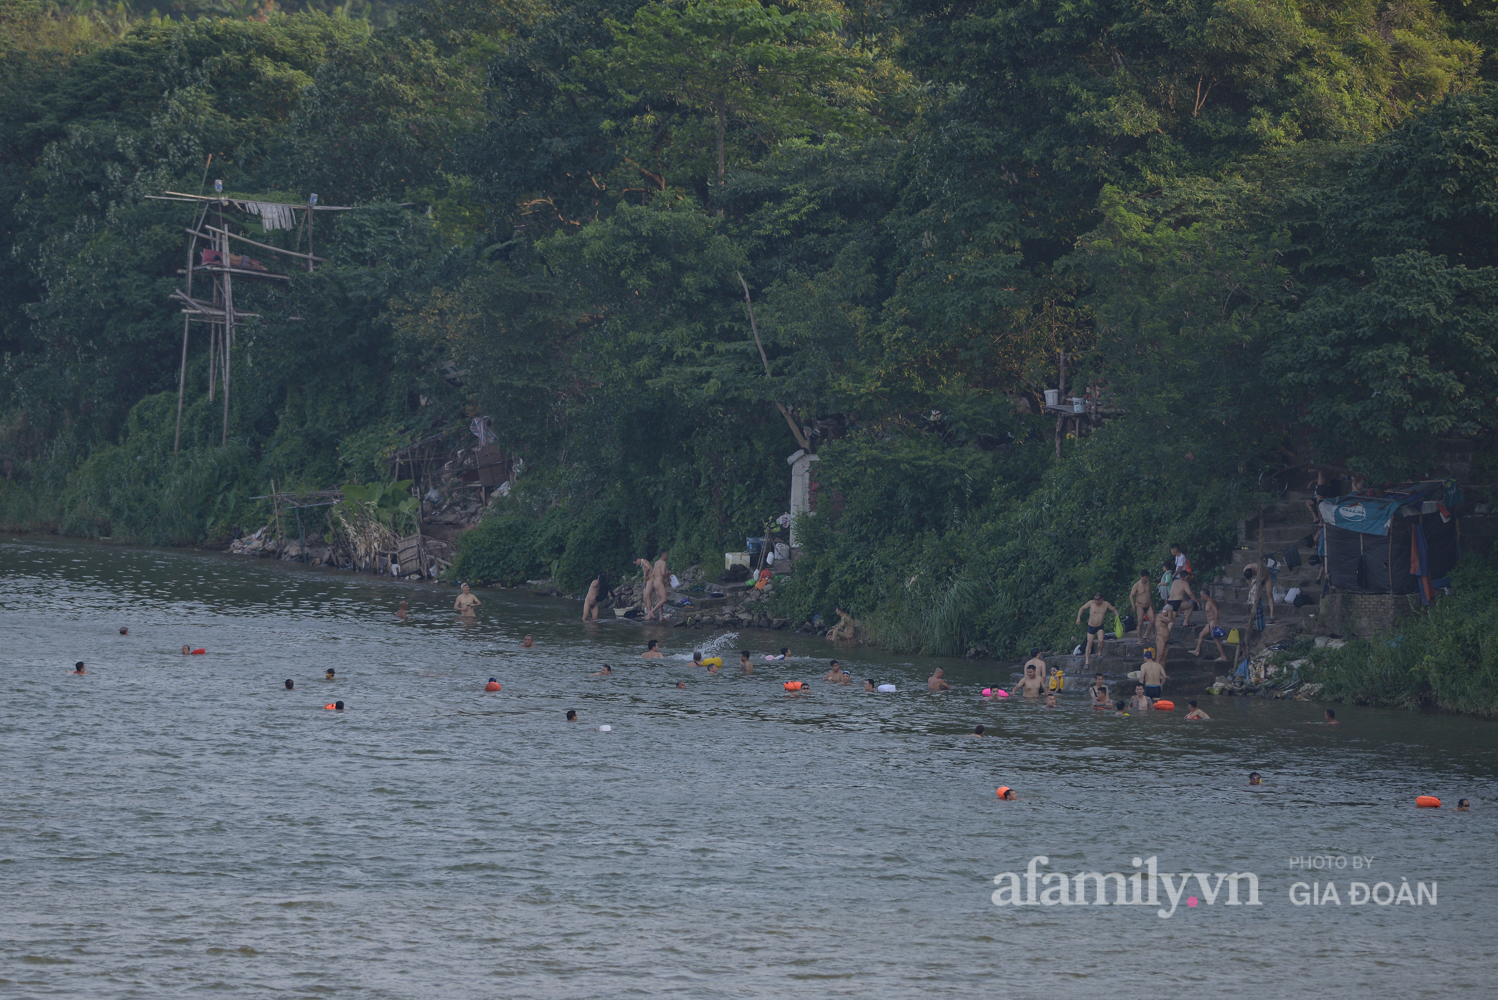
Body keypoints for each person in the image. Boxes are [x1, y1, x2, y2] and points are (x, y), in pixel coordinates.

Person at [1075, 593, 1119, 669]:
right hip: (1091, 626)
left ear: (1102, 599)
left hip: (1100, 626)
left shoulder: (1106, 604)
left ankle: (1099, 653)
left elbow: (1114, 609)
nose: (1096, 601)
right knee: (1089, 643)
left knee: (1101, 640)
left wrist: (1116, 613)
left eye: (1098, 599)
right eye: (1095, 599)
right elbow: (1082, 608)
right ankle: (1087, 662)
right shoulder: (1091, 603)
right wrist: (1078, 618)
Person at [1191, 588, 1227, 660]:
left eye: (1202, 596)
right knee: (1201, 634)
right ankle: (1197, 650)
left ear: (1205, 595)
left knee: (1216, 640)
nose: (1201, 598)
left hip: (1213, 622)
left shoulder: (1211, 602)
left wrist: (1215, 622)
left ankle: (1223, 656)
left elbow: (1216, 611)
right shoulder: (1210, 601)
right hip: (1210, 622)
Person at [1128, 569, 1154, 639]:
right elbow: (1131, 595)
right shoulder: (1136, 585)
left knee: (1152, 620)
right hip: (1140, 605)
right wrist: (1133, 605)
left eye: (1147, 578)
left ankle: (1146, 634)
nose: (1146, 579)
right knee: (1140, 622)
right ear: (1141, 576)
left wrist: (1151, 603)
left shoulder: (1148, 583)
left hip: (1148, 605)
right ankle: (1139, 639)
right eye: (1145, 578)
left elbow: (1149, 594)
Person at [647, 552, 671, 621]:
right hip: (659, 583)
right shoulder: (663, 562)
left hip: (655, 582)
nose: (667, 555)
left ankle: (661, 616)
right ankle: (652, 611)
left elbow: (654, 573)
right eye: (666, 554)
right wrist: (668, 575)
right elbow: (663, 573)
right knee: (664, 599)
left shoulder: (656, 562)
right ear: (663, 554)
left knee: (660, 600)